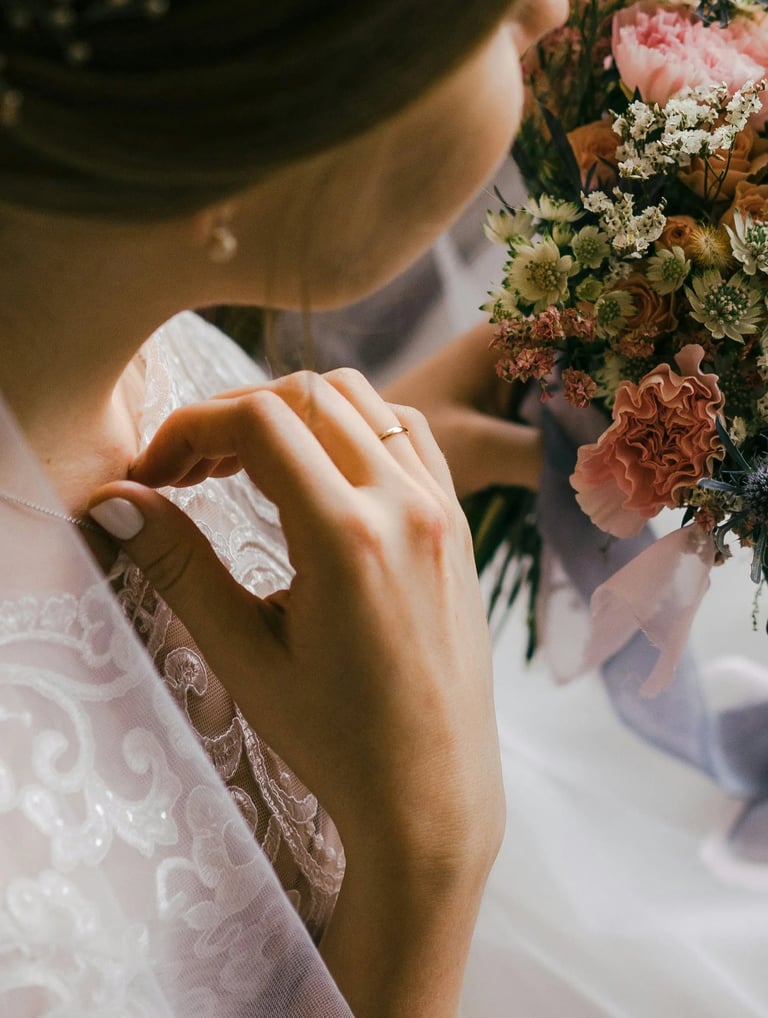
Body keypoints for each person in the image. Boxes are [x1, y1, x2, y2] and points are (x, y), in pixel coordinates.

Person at [0, 1, 565, 1015]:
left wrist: (379, 442)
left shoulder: (90, 310)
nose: (551, 11)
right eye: (482, 16)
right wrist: (430, 859)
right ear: (226, 140)